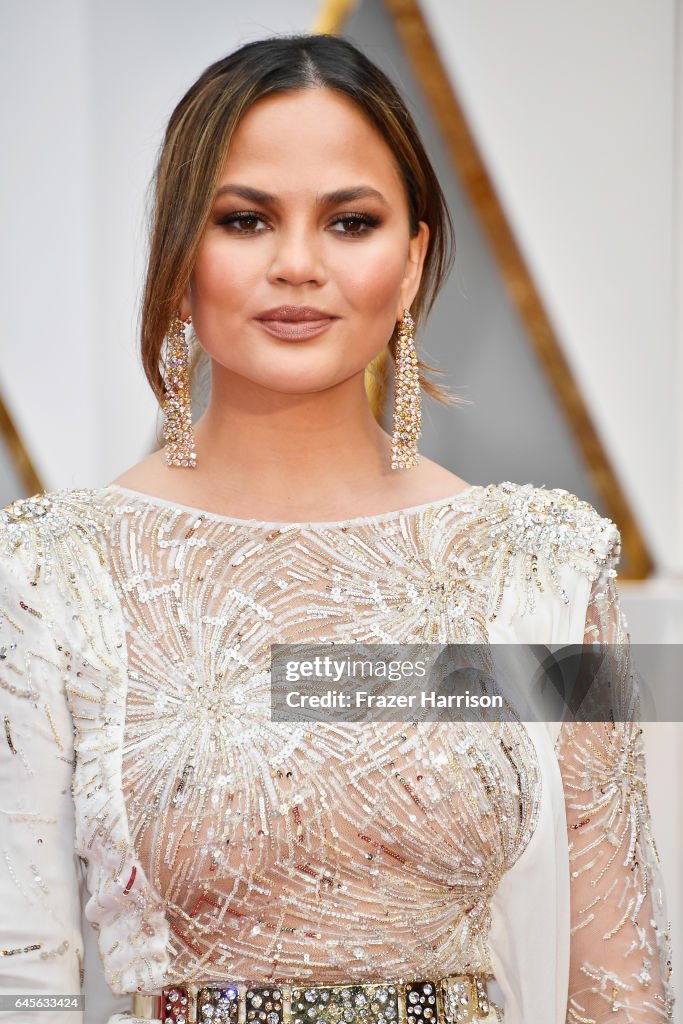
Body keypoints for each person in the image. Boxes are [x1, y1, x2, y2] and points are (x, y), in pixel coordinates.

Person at [0, 34, 674, 1024]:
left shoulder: (551, 568)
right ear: (180, 257)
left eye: (349, 222)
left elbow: (621, 977)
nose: (298, 264)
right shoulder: (52, 572)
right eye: (245, 219)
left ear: (410, 265)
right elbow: (22, 969)